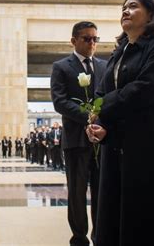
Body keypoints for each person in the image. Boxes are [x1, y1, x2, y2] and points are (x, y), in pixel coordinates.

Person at [87, 0, 154, 246]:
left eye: (133, 6)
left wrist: (103, 106)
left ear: (152, 14)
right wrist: (100, 125)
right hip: (119, 146)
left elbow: (145, 90)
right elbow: (101, 91)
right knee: (116, 216)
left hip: (150, 146)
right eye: (123, 7)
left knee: (149, 221)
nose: (125, 11)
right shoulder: (118, 54)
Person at [51, 20, 107, 246]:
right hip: (75, 141)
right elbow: (59, 102)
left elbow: (111, 97)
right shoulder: (61, 67)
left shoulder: (105, 65)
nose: (92, 43)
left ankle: (100, 235)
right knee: (77, 192)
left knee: (102, 191)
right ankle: (80, 237)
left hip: (101, 140)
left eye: (95, 38)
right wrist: (87, 117)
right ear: (74, 41)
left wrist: (100, 121)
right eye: (87, 38)